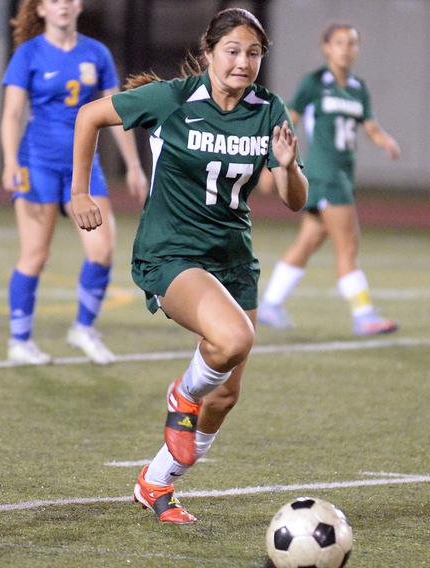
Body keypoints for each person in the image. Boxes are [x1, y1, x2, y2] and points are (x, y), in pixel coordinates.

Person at [71, 8, 307, 523]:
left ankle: (156, 483)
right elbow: (89, 115)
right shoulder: (175, 99)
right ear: (209, 53)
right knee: (235, 340)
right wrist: (80, 190)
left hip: (233, 261)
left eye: (253, 53)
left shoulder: (269, 109)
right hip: (171, 253)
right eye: (233, 51)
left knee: (224, 397)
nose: (243, 62)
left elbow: (294, 200)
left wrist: (287, 168)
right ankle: (181, 394)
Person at [1, 0, 148, 365]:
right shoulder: (28, 54)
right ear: (40, 10)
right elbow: (12, 114)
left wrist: (133, 165)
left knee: (102, 251)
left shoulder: (96, 53)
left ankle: (83, 329)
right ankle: (19, 341)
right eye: (53, 0)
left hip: (85, 167)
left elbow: (117, 112)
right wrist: (8, 162)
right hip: (37, 164)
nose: (63, 5)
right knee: (35, 256)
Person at [256, 23, 401, 336]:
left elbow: (370, 127)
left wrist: (385, 141)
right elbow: (286, 121)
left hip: (340, 175)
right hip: (326, 175)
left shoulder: (358, 88)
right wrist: (272, 166)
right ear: (326, 47)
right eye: (339, 43)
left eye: (351, 44)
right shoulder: (314, 83)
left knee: (308, 242)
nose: (345, 49)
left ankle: (269, 304)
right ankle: (363, 315)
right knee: (348, 244)